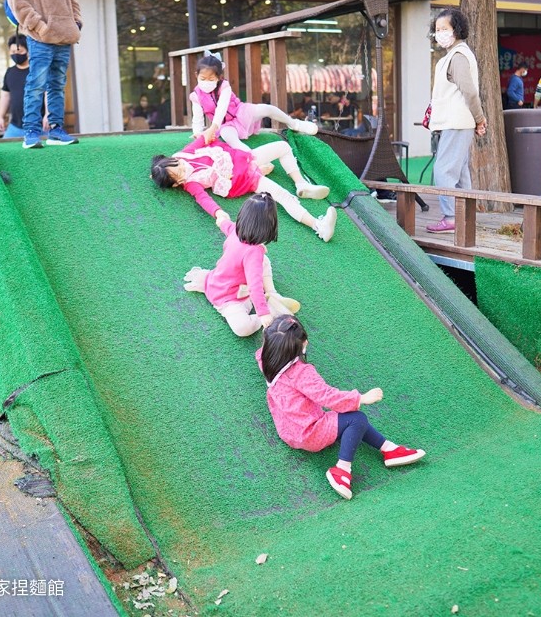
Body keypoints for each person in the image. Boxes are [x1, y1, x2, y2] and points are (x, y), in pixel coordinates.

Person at [256, 315, 426, 500]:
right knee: (356, 418)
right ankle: (342, 470)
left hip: (289, 428)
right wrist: (360, 398)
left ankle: (389, 449)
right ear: (301, 345)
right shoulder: (301, 373)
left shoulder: (265, 358)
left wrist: (276, 325)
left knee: (348, 419)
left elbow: (271, 336)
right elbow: (326, 396)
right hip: (309, 432)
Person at [150, 135, 337, 242]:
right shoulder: (191, 183)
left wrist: (210, 130)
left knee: (282, 146)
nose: (184, 168)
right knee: (282, 196)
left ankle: (301, 184)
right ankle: (318, 226)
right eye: (179, 173)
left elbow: (204, 138)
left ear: (174, 158)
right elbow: (203, 199)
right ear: (176, 183)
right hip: (245, 178)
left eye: (179, 164)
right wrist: (218, 213)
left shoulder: (186, 154)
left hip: (246, 158)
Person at [7, 0, 81, 149]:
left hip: (64, 37)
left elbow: (72, 0)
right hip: (40, 38)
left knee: (57, 85)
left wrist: (76, 23)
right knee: (36, 84)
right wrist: (40, 26)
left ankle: (56, 130)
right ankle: (31, 132)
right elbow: (17, 1)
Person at [182, 193, 300, 337]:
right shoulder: (252, 250)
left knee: (264, 261)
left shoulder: (235, 231)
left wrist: (220, 218)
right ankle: (272, 306)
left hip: (225, 289)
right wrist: (263, 314)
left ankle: (272, 294)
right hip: (229, 295)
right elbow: (255, 285)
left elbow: (224, 224)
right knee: (242, 328)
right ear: (269, 227)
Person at [425, 9, 487, 234]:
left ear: (457, 30)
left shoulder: (458, 56)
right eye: (437, 29)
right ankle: (463, 217)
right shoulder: (455, 55)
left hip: (457, 122)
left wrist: (479, 119)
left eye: (445, 29)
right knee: (460, 174)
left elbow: (469, 92)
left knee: (443, 170)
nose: (440, 33)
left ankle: (452, 217)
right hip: (458, 122)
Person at [190, 53, 318, 152]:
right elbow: (197, 117)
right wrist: (197, 132)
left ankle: (295, 124)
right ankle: (254, 159)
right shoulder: (196, 95)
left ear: (219, 77)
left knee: (267, 109)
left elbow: (221, 109)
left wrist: (212, 128)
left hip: (241, 112)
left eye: (211, 79)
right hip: (225, 126)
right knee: (231, 140)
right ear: (196, 75)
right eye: (203, 78)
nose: (206, 82)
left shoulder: (224, 87)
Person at [0, 34, 30, 138]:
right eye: (13, 52)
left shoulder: (37, 72)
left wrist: (48, 115)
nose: (16, 54)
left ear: (28, 51)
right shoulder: (10, 72)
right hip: (15, 126)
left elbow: (47, 93)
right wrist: (0, 117)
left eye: (19, 51)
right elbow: (5, 96)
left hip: (39, 126)